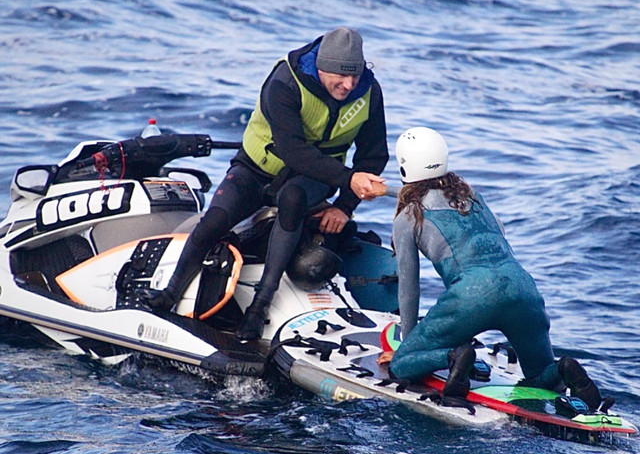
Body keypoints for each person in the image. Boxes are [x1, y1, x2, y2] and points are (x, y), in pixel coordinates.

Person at [138, 27, 388, 341]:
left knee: (293, 199)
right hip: (257, 169)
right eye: (340, 75)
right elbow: (292, 150)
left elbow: (374, 156)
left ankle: (260, 306)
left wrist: (344, 207)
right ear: (322, 66)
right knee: (214, 220)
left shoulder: (368, 92)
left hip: (311, 178)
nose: (349, 84)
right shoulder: (285, 82)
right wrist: (348, 179)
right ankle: (169, 292)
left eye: (356, 75)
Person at [385, 126, 605, 410]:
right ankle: (565, 368)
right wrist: (387, 191)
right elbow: (499, 229)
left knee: (401, 365)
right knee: (541, 377)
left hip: (472, 295)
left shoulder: (407, 217)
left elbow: (409, 287)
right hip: (522, 288)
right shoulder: (471, 196)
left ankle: (455, 356)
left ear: (404, 167)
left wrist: (407, 343)